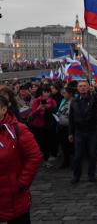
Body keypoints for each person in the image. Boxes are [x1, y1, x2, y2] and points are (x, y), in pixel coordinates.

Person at [0, 95, 43, 224]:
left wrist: (22, 182)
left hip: (14, 194)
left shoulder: (18, 129)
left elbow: (34, 156)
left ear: (3, 110)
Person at [68, 80, 97, 184]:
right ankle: (76, 175)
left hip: (92, 131)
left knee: (92, 155)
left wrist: (95, 93)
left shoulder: (93, 98)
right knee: (78, 155)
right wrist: (70, 133)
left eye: (84, 86)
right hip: (79, 131)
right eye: (80, 86)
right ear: (77, 88)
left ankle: (91, 174)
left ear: (88, 87)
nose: (82, 88)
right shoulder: (74, 101)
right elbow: (71, 118)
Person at [30, 85, 57, 166]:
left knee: (47, 143)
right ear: (42, 92)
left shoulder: (52, 101)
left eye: (48, 92)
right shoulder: (36, 101)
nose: (46, 94)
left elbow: (55, 110)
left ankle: (46, 159)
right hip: (38, 125)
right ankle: (40, 157)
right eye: (45, 92)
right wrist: (39, 108)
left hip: (48, 125)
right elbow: (32, 114)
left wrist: (49, 107)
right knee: (39, 142)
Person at [56, 86, 74, 168]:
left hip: (69, 127)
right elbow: (60, 111)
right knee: (64, 146)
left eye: (65, 93)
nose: (63, 95)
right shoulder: (64, 101)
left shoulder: (74, 102)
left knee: (70, 146)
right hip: (61, 126)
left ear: (70, 94)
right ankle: (66, 161)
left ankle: (71, 162)